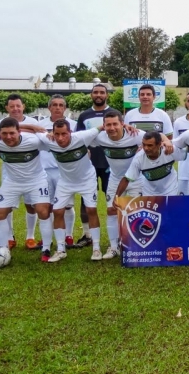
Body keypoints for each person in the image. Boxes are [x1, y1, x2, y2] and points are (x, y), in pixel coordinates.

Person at [34, 120, 103, 262]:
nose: (60, 138)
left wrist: (125, 125)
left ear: (70, 132)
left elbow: (102, 126)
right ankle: (60, 250)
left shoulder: (82, 137)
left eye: (64, 134)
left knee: (91, 210)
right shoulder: (49, 140)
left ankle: (96, 248)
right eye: (57, 134)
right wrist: (34, 126)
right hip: (65, 181)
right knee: (57, 211)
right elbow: (32, 130)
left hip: (87, 179)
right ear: (52, 133)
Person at [0, 117, 55, 262]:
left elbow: (51, 141)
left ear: (19, 132)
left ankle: (46, 248)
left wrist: (47, 134)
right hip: (12, 182)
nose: (8, 137)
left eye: (12, 133)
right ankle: (2, 248)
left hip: (36, 180)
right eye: (4, 133)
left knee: (43, 210)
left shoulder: (33, 141)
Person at [96, 109, 147, 258]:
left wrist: (147, 145)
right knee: (111, 210)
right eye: (108, 125)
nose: (112, 128)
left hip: (137, 180)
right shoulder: (100, 137)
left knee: (136, 212)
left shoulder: (136, 135)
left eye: (115, 124)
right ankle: (113, 247)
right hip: (114, 179)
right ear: (104, 126)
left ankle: (135, 245)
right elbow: (80, 139)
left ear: (122, 124)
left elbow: (159, 137)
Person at [0, 94, 41, 249]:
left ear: (23, 107)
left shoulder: (33, 121)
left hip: (30, 171)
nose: (15, 109)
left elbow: (40, 137)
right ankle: (9, 237)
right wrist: (31, 129)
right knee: (6, 206)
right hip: (10, 170)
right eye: (12, 106)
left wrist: (32, 127)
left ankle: (30, 237)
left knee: (31, 205)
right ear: (7, 108)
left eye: (18, 106)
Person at [73, 83, 112, 248]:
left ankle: (117, 235)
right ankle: (87, 234)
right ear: (91, 95)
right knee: (86, 199)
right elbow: (79, 138)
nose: (98, 95)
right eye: (95, 92)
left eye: (102, 92)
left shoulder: (113, 114)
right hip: (88, 165)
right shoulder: (84, 115)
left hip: (110, 164)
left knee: (113, 199)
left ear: (106, 95)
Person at [39, 95, 78, 249]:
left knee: (66, 205)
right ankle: (46, 237)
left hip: (65, 170)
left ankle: (68, 235)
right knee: (47, 206)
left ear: (65, 108)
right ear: (49, 108)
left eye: (61, 105)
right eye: (54, 105)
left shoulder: (73, 124)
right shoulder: (40, 124)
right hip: (45, 170)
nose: (57, 107)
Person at [115, 132, 184, 198]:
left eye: (150, 145)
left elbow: (186, 153)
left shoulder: (169, 150)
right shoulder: (139, 158)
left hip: (171, 191)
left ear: (159, 144)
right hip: (149, 194)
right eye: (144, 144)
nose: (146, 148)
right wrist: (116, 197)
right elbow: (127, 179)